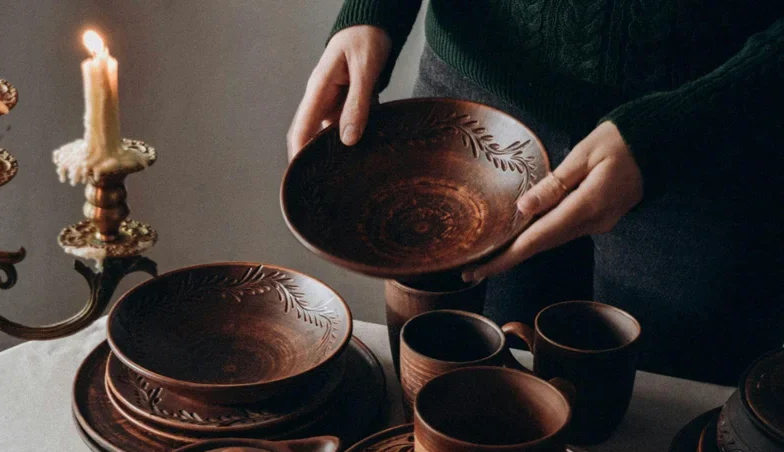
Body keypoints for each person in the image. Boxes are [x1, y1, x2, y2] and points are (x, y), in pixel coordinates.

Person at [287, 1, 784, 385]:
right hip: (477, 116)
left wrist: (677, 132)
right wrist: (372, 12)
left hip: (709, 137)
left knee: (662, 428)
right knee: (467, 393)